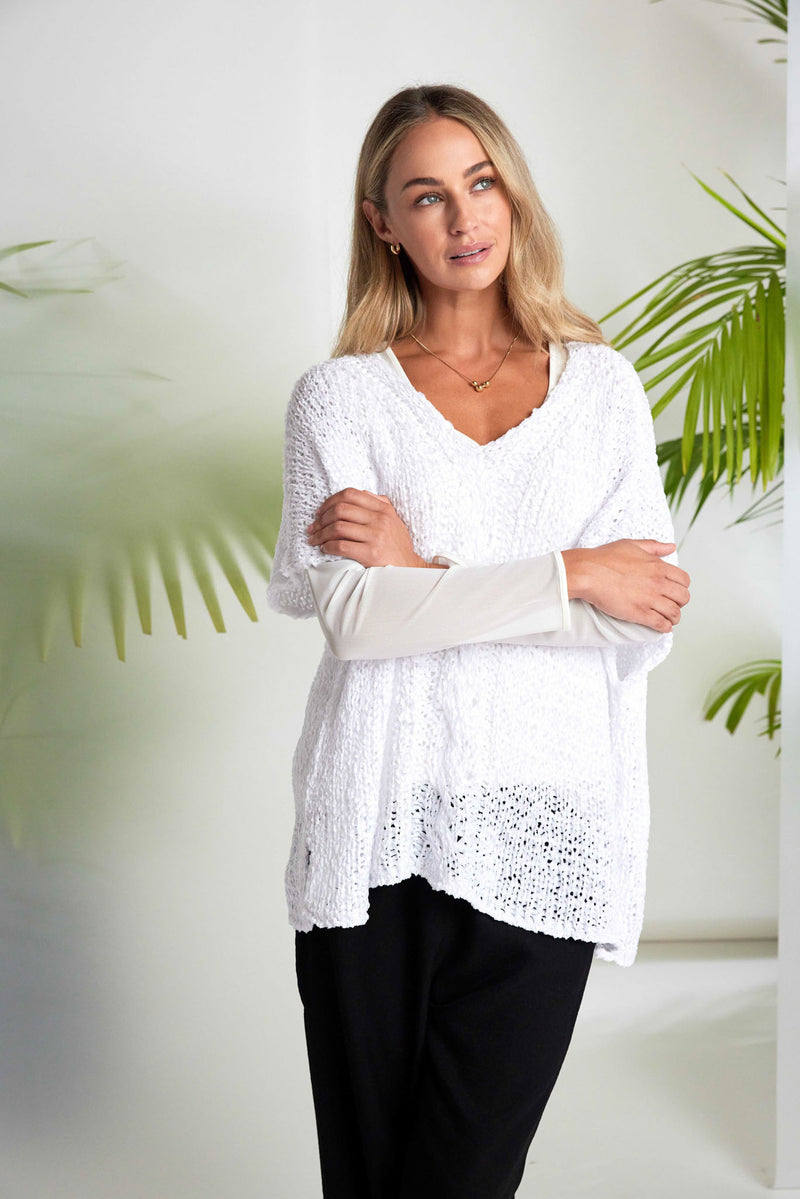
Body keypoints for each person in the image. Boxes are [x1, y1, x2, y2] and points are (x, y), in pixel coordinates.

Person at [266, 83, 691, 1199]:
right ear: (382, 224)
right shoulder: (339, 399)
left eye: (481, 182)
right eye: (426, 196)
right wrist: (570, 571)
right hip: (375, 824)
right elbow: (358, 621)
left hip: (546, 821)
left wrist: (426, 572)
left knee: (467, 1176)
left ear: (512, 193)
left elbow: (642, 604)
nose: (464, 218)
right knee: (371, 1178)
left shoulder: (601, 389)